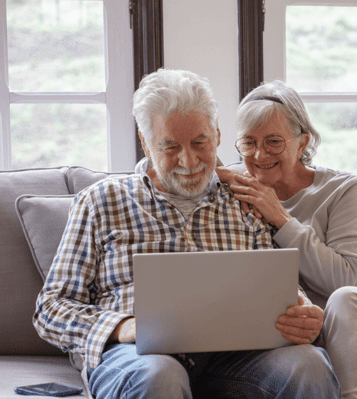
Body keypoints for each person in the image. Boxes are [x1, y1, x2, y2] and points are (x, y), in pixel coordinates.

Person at [33, 69, 340, 399]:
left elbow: (279, 285)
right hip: (140, 359)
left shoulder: (245, 200)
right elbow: (50, 309)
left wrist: (303, 313)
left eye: (199, 142)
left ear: (218, 134)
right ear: (145, 143)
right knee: (160, 377)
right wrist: (122, 327)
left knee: (309, 365)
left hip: (236, 358)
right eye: (170, 147)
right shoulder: (100, 201)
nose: (189, 161)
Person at [218, 80, 357, 399]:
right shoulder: (235, 186)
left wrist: (280, 218)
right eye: (248, 142)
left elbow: (344, 278)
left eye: (273, 141)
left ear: (302, 143)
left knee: (343, 300)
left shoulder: (343, 190)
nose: (259, 154)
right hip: (314, 330)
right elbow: (156, 169)